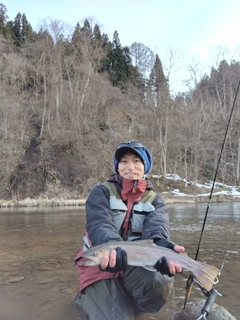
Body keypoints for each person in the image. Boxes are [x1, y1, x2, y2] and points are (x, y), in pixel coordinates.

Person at [74, 141, 185, 320]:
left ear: (145, 167)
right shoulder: (101, 191)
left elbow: (157, 230)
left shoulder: (157, 201)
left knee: (160, 281)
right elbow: (99, 225)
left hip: (136, 265)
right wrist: (113, 251)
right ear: (117, 167)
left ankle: (134, 305)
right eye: (123, 161)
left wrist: (162, 243)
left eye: (136, 161)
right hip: (100, 270)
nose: (129, 167)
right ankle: (90, 299)